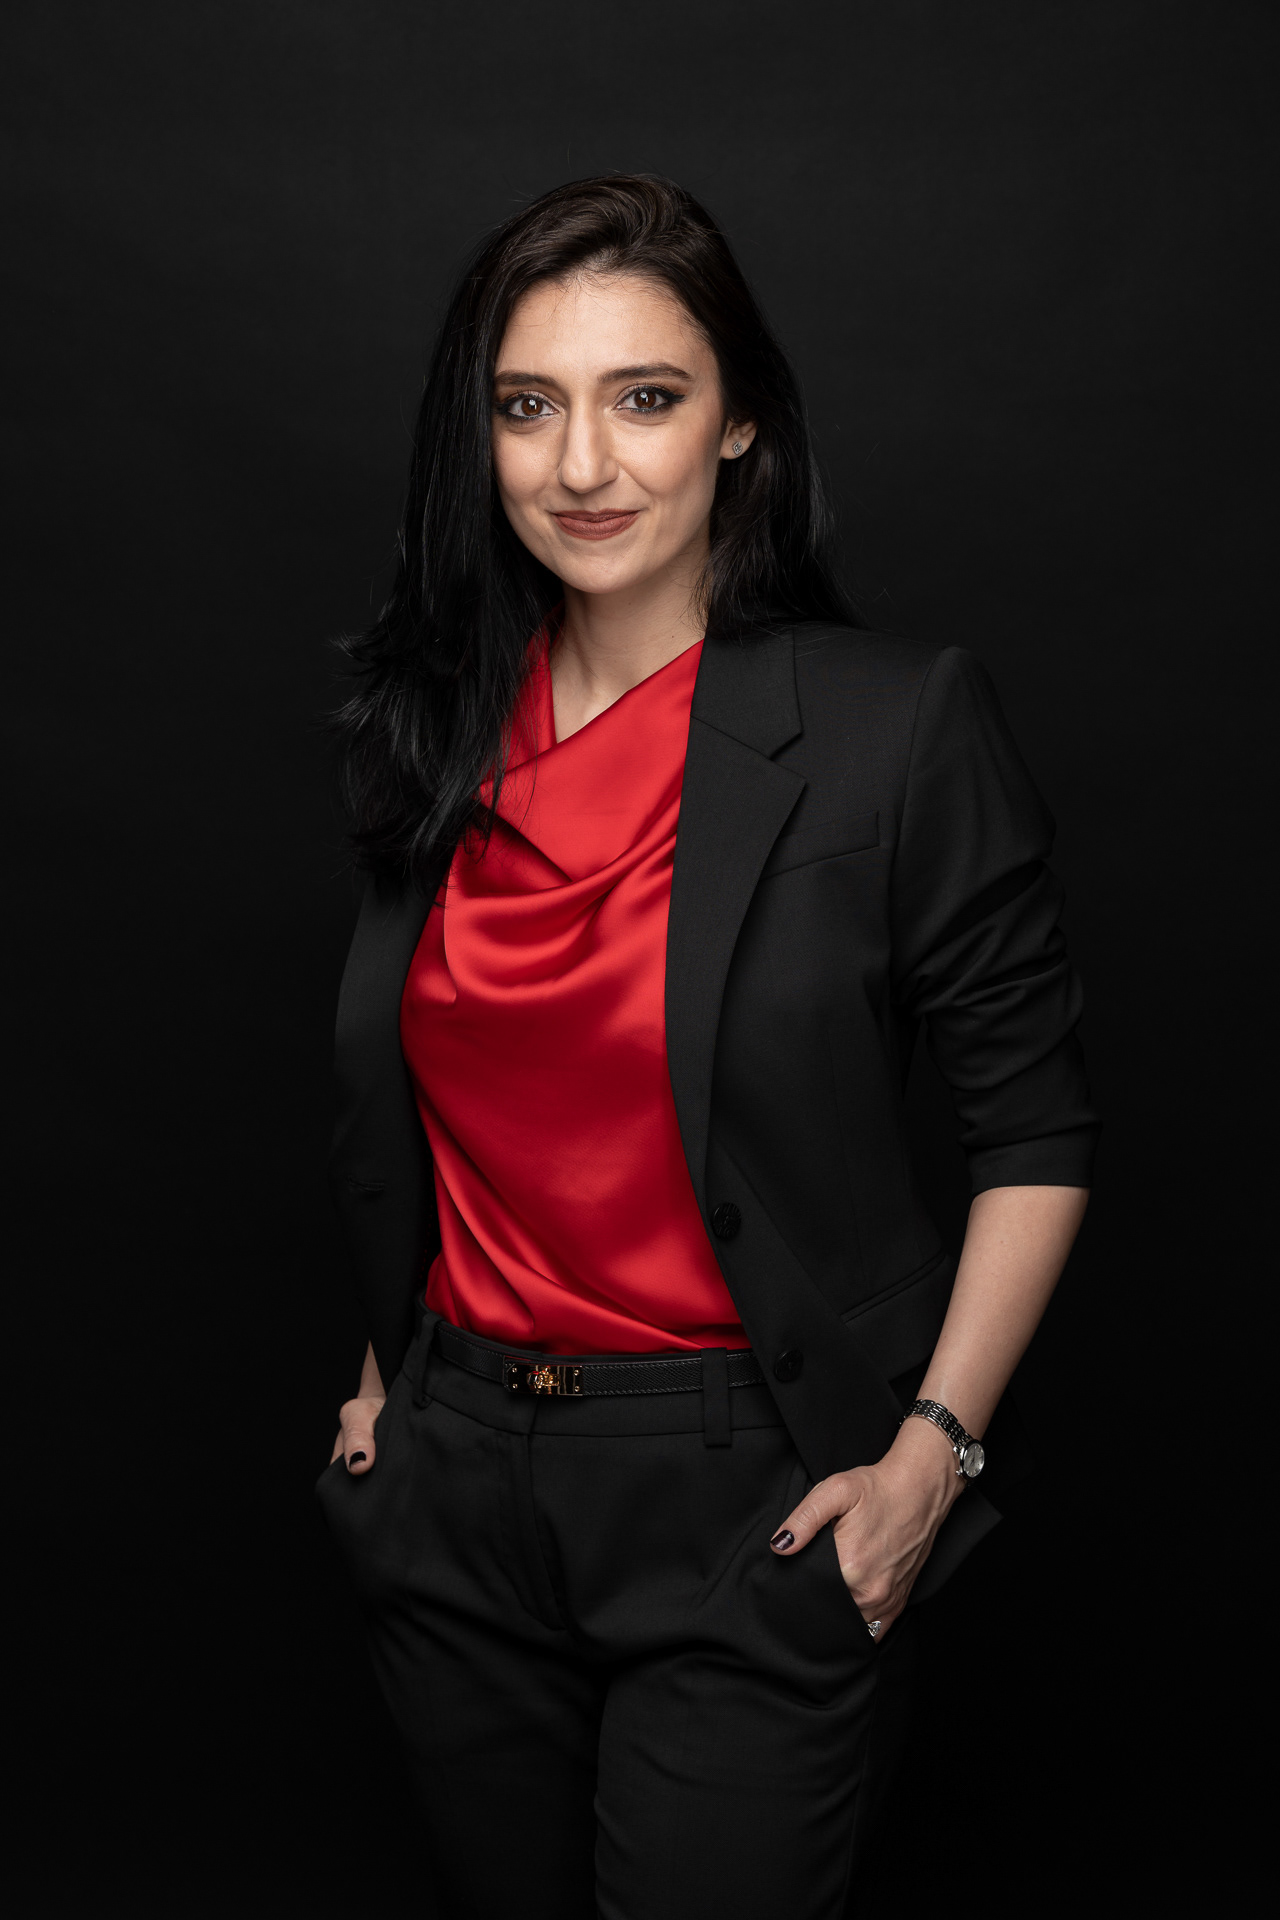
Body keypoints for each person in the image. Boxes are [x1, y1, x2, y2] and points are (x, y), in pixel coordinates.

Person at [318, 174, 1096, 1920]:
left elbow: (1036, 1132)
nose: (583, 464)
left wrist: (933, 1455)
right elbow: (430, 1110)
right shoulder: (431, 733)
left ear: (739, 420)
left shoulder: (896, 726)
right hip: (456, 1497)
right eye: (529, 407)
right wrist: (389, 1384)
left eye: (646, 398)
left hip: (752, 1491)